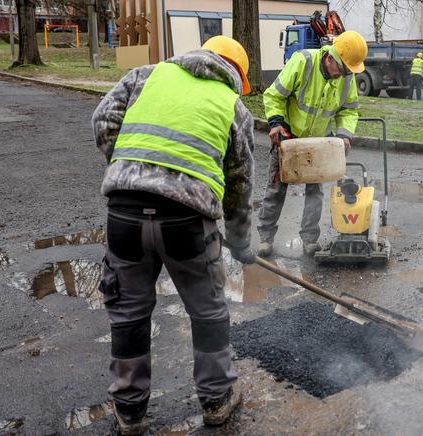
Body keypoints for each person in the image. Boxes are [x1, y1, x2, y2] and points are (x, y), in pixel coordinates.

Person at [91, 35, 255, 435]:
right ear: (236, 74)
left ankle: (129, 411)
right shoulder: (233, 106)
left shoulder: (145, 75)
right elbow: (239, 183)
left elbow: (103, 121)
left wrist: (135, 171)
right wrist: (240, 240)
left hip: (125, 214)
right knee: (208, 310)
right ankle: (216, 401)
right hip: (187, 223)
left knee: (129, 313)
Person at [257, 30, 366, 258]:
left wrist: (345, 135)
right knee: (276, 189)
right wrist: (276, 124)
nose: (344, 75)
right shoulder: (303, 61)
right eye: (343, 69)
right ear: (330, 58)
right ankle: (266, 238)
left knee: (315, 192)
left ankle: (309, 240)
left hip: (319, 141)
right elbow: (274, 95)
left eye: (348, 71)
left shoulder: (346, 77)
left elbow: (349, 110)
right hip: (288, 137)